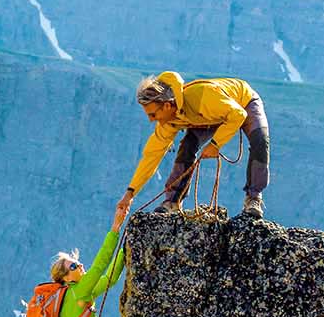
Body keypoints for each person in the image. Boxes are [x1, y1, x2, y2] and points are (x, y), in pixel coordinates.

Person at [115, 71, 270, 219]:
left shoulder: (203, 96)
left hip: (243, 102)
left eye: (153, 114)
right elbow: (151, 157)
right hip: (208, 117)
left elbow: (238, 115)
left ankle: (254, 198)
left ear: (167, 106)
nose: (151, 120)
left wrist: (215, 144)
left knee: (260, 141)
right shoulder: (168, 122)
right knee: (187, 147)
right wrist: (130, 193)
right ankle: (172, 202)